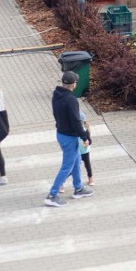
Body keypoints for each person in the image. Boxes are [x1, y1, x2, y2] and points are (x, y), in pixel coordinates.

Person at [45, 71, 94, 207]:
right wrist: (84, 137)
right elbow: (76, 121)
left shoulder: (57, 95)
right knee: (67, 167)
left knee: (77, 160)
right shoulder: (71, 100)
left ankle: (78, 188)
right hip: (69, 137)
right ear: (74, 84)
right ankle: (51, 195)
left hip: (61, 133)